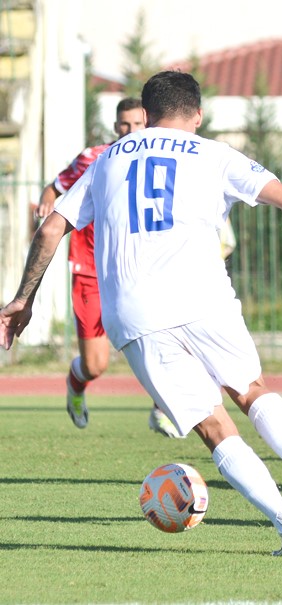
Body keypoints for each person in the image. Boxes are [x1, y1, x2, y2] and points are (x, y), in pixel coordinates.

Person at [1, 71, 282, 556]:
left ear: (146, 115)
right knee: (250, 390)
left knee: (214, 427)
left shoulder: (106, 160)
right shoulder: (214, 154)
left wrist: (24, 298)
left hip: (135, 313)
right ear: (198, 115)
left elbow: (49, 230)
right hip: (204, 297)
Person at [34, 98, 184, 437]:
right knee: (95, 364)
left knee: (166, 334)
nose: (130, 131)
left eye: (137, 124)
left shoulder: (157, 158)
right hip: (90, 271)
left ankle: (161, 409)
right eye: (124, 125)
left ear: (148, 123)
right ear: (116, 126)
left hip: (138, 269)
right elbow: (55, 187)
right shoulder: (95, 157)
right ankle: (76, 384)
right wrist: (46, 202)